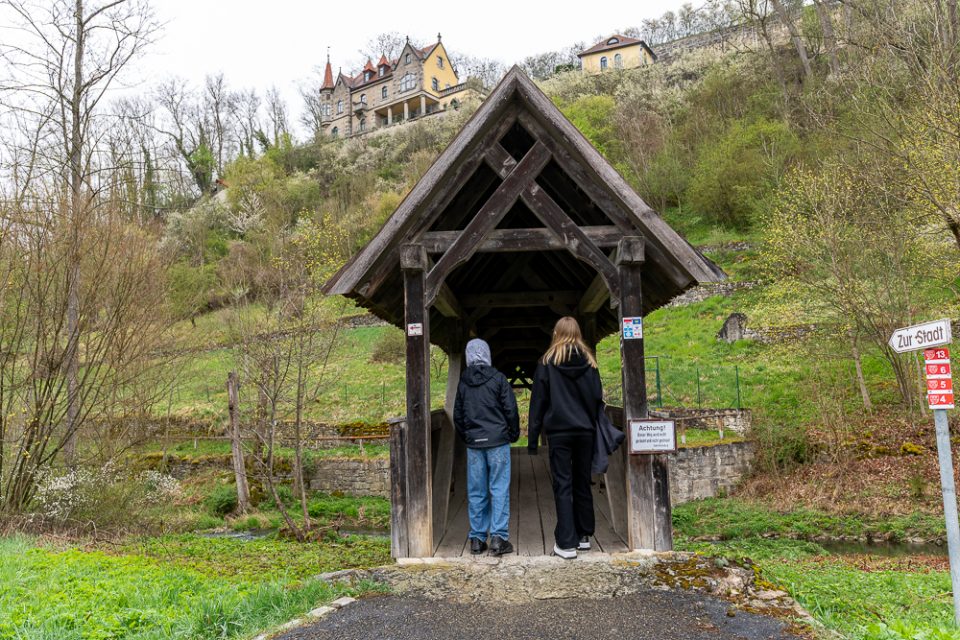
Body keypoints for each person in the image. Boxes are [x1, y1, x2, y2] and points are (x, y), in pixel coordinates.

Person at [528, 317, 603, 560]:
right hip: (584, 432)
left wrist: (532, 439)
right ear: (578, 334)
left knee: (563, 485)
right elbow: (596, 398)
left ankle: (566, 543)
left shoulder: (547, 363)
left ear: (556, 333)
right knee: (582, 482)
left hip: (559, 433)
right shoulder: (590, 364)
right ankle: (583, 536)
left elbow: (538, 402)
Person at [454, 338, 520, 555]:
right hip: (498, 441)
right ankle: (499, 538)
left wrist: (468, 438)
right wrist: (513, 433)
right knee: (499, 488)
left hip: (474, 443)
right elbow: (510, 409)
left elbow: (458, 415)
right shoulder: (499, 379)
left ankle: (477, 539)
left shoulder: (463, 382)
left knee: (476, 491)